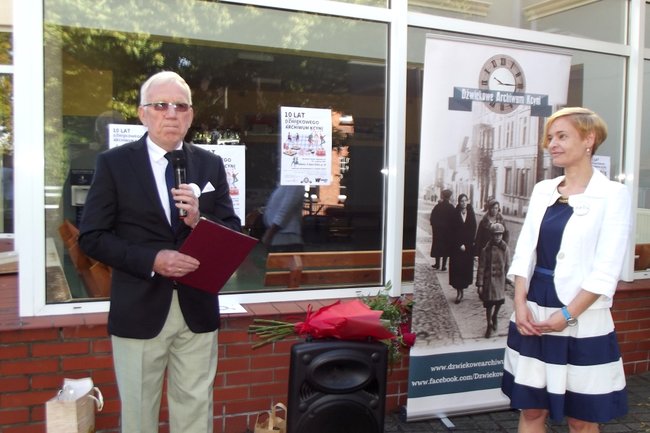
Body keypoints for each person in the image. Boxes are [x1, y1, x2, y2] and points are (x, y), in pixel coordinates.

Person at [78, 71, 241, 433]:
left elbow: (232, 231)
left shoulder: (210, 164)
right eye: (160, 105)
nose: (171, 114)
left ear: (191, 115)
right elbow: (92, 237)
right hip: (139, 307)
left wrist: (199, 220)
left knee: (195, 410)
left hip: (197, 307)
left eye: (180, 106)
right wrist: (152, 259)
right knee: (138, 413)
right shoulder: (115, 164)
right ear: (143, 113)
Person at [501, 107, 631, 432]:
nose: (552, 144)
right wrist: (519, 304)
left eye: (562, 136)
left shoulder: (613, 194)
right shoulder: (543, 189)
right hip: (534, 311)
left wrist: (568, 316)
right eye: (550, 137)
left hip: (583, 317)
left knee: (581, 417)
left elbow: (606, 269)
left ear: (589, 139)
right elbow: (524, 252)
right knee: (532, 409)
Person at [476, 222, 511, 338]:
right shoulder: (486, 250)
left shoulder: (505, 249)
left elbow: (508, 265)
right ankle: (489, 325)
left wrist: (507, 280)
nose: (497, 237)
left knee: (499, 302)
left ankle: (495, 315)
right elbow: (481, 268)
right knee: (489, 304)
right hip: (489, 282)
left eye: (499, 235)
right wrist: (480, 284)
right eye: (495, 235)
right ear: (491, 235)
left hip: (500, 280)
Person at [448, 193, 476, 304]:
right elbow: (451, 231)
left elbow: (473, 230)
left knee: (464, 271)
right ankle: (459, 293)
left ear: (467, 201)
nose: (464, 203)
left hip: (467, 249)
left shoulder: (471, 214)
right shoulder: (455, 214)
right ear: (459, 202)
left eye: (465, 201)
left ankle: (462, 289)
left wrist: (467, 244)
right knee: (457, 270)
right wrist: (459, 244)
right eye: (461, 201)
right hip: (457, 248)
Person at [262, 184, 305, 252]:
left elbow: (285, 211)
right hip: (278, 238)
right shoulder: (284, 185)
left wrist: (270, 233)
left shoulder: (294, 185)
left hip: (286, 239)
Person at [429, 189, 455, 270]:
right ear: (449, 197)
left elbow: (432, 218)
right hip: (448, 232)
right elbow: (455, 220)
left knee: (437, 246)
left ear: (443, 196)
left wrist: (435, 227)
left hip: (438, 231)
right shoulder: (451, 207)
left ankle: (437, 264)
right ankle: (443, 266)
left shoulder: (438, 206)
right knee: (446, 248)